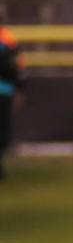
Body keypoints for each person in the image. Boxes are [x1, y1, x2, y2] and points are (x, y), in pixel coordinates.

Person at [0, 27, 22, 181]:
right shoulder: (8, 38)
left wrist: (19, 88)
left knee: (2, 133)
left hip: (4, 91)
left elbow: (15, 65)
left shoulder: (7, 38)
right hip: (4, 92)